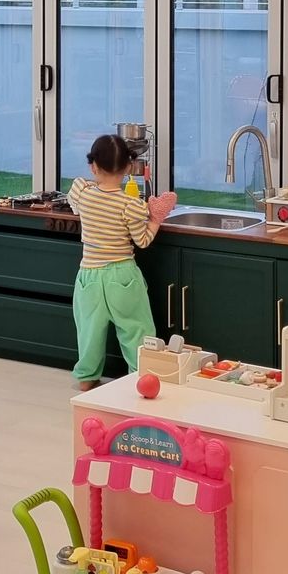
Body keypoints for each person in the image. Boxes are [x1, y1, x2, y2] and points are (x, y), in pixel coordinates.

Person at [68, 134, 176, 391]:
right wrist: (156, 218)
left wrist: (93, 179)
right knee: (136, 330)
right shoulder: (130, 205)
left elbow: (76, 196)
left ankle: (86, 377)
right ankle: (142, 378)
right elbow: (143, 241)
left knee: (89, 331)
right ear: (129, 167)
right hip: (122, 275)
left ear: (93, 166)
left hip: (89, 275)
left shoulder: (82, 194)